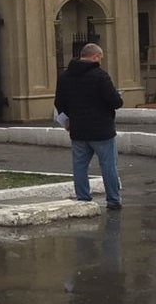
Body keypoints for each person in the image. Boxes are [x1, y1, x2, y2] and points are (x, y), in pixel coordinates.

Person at [54, 42, 124, 210]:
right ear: (95, 57)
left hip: (78, 129)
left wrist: (68, 121)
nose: (101, 61)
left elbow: (59, 102)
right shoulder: (100, 76)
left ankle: (83, 199)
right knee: (108, 165)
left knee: (79, 166)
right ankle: (113, 200)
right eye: (100, 57)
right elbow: (115, 102)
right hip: (102, 130)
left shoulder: (65, 77)